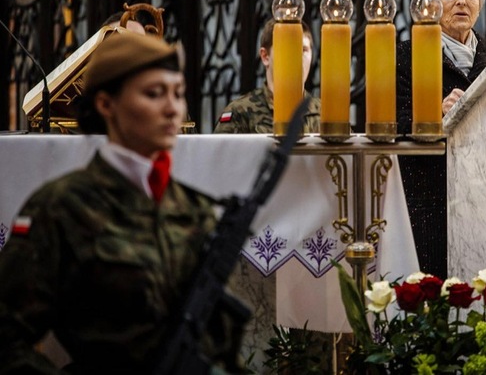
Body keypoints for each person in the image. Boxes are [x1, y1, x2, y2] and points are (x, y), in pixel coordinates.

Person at [0, 34, 245, 373]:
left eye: (178, 93)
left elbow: (215, 342)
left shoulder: (192, 208)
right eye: (154, 93)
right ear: (106, 104)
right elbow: (7, 337)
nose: (173, 108)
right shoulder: (62, 207)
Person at [396, 0, 486, 279]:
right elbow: (389, 124)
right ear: (426, 3)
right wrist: (435, 116)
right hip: (428, 201)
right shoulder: (403, 57)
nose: (461, 0)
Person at [214, 18, 321, 134]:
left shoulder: (325, 114)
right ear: (265, 56)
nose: (295, 57)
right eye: (286, 48)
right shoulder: (240, 113)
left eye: (303, 50)